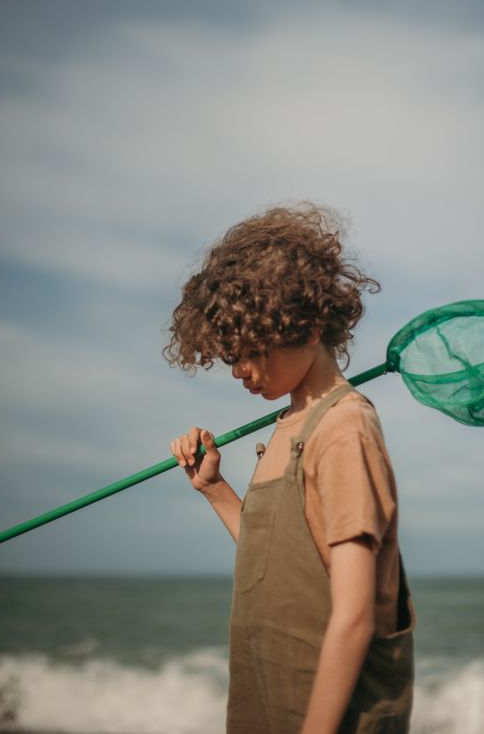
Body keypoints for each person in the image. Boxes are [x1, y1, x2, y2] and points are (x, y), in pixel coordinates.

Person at [165, 204, 414, 734]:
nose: (238, 371)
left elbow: (353, 614)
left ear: (301, 323)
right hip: (271, 698)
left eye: (248, 349)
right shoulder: (286, 426)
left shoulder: (343, 428)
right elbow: (278, 559)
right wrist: (214, 490)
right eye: (228, 355)